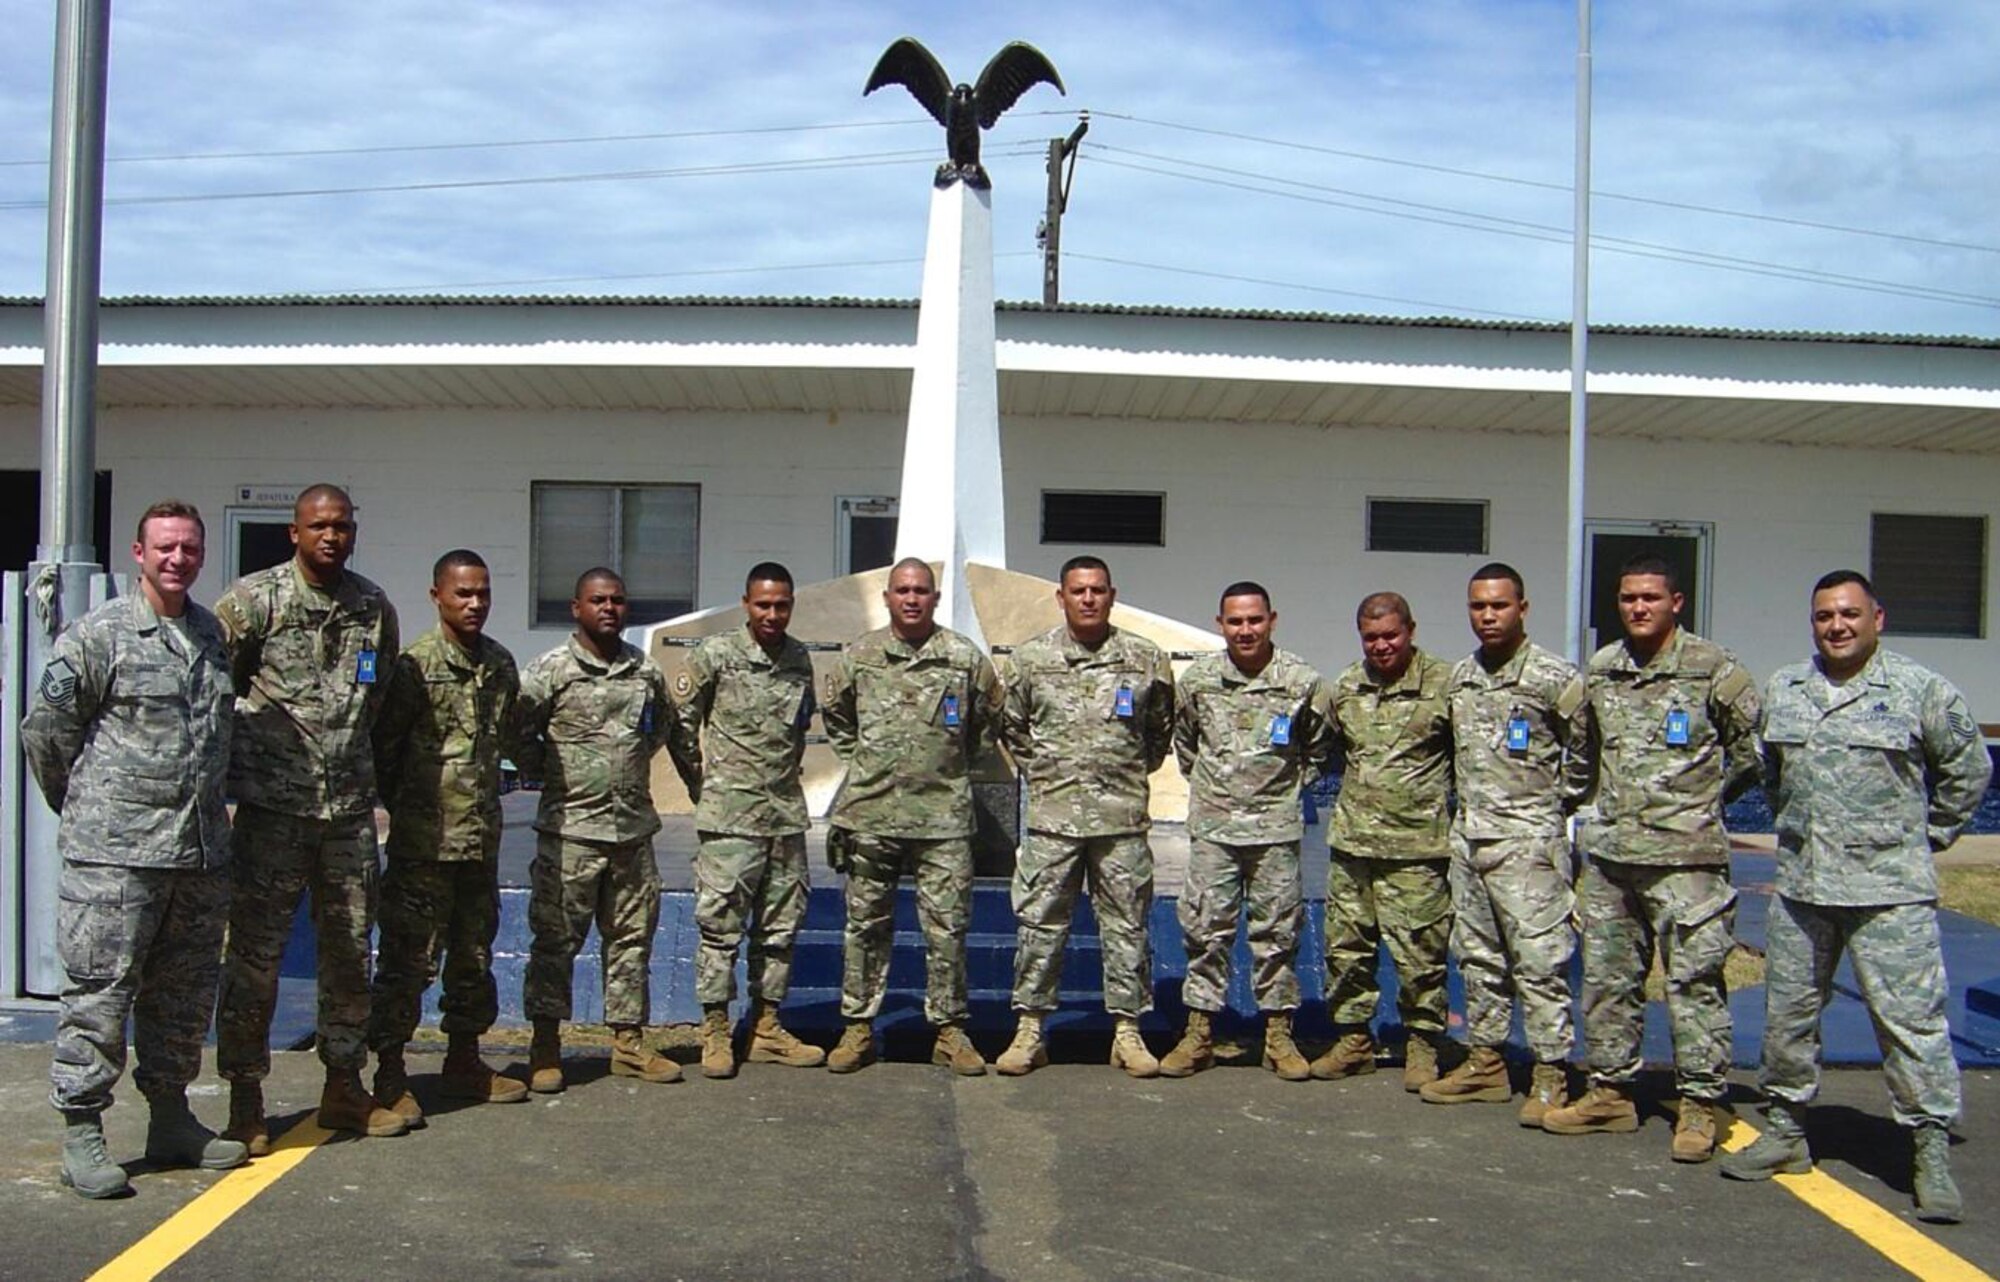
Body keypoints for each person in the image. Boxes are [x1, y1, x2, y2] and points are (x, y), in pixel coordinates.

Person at [1720, 570, 1990, 1223]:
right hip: (1805, 885)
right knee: (1789, 1015)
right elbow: (1773, 775)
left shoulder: (1918, 688)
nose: (1835, 626)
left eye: (1848, 614)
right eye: (1823, 617)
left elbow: (1968, 765)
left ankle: (1926, 1149)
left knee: (1910, 1022)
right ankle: (1786, 1131)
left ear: (1877, 618)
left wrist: (1934, 832)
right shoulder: (1787, 687)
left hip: (1889, 891)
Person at [22, 500, 248, 1198]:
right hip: (115, 859)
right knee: (99, 994)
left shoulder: (211, 636)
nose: (178, 559)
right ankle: (83, 1130)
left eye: (189, 548)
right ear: (139, 554)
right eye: (165, 548)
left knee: (181, 996)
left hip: (197, 854)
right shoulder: (99, 636)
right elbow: (45, 734)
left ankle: (171, 1117)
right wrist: (90, 812)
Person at [1540, 554, 1761, 1161]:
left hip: (1687, 861)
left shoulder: (1714, 669)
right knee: (1609, 983)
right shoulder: (1604, 669)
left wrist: (1696, 806)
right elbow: (1582, 754)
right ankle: (1610, 1091)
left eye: (1651, 598)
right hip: (1612, 859)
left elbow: (1749, 756)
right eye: (1629, 598)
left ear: (1676, 603)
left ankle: (1699, 1104)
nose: (1639, 608)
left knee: (1693, 983)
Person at [214, 483, 407, 1151]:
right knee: (254, 961)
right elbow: (216, 689)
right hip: (272, 815)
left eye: (343, 526)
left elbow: (374, 700)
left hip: (349, 816)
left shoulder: (372, 608)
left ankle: (343, 1086)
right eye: (318, 525)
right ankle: (244, 1095)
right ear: (294, 533)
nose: (332, 536)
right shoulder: (252, 602)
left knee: (351, 954)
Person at [515, 567, 700, 1092]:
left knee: (631, 942)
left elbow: (660, 730)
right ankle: (545, 1044)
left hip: (631, 834)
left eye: (618, 600)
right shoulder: (550, 671)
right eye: (598, 600)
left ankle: (627, 1043)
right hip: (570, 834)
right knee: (555, 943)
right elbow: (518, 734)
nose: (610, 609)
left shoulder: (643, 671)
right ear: (576, 607)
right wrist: (552, 777)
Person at [1421, 563, 1593, 1125]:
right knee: (1477, 956)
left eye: (1498, 605)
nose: (1487, 616)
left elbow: (1587, 753)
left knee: (1540, 962)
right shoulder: (1462, 677)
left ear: (1523, 607)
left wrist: (1549, 807)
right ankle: (1487, 1062)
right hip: (1470, 839)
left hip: (1530, 846)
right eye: (1477, 606)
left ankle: (1550, 1073)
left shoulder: (1552, 677)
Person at [821, 558, 1002, 1075]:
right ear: (887, 596)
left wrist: (948, 769)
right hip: (871, 817)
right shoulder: (861, 656)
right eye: (903, 590)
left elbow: (986, 723)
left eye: (922, 591)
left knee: (947, 929)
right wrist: (868, 763)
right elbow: (836, 716)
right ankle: (858, 1027)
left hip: (943, 821)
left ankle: (948, 1030)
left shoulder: (963, 659)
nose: (912, 599)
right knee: (865, 926)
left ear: (936, 599)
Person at [997, 555, 1176, 1078]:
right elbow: (1013, 728)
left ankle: (1127, 1033)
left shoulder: (1144, 659)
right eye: (1078, 591)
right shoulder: (1031, 659)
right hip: (1053, 821)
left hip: (1120, 822)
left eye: (1098, 590)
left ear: (1112, 595)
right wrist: (1053, 773)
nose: (1089, 599)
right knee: (1039, 926)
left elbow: (1158, 734)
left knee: (1126, 927)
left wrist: (1116, 775)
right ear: (1061, 597)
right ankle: (1029, 1029)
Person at [365, 550, 528, 1121]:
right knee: (408, 963)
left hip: (479, 844)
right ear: (437, 596)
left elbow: (506, 744)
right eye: (463, 593)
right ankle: (389, 1071)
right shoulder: (413, 668)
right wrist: (413, 809)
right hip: (423, 848)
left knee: (472, 959)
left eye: (482, 593)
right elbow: (384, 752)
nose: (475, 604)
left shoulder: (501, 667)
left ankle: (464, 1061)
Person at [1161, 581, 1331, 1080]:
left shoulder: (1301, 681)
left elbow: (1318, 751)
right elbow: (1185, 744)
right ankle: (1199, 1034)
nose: (1245, 630)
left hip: (1275, 832)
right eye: (1235, 621)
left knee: (1277, 934)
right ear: (1221, 625)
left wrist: (1275, 794)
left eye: (1254, 620)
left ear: (1272, 620)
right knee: (1205, 930)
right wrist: (1222, 793)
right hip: (1215, 830)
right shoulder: (1199, 680)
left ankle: (1278, 1036)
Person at [681, 562, 826, 1077]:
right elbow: (681, 726)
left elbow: (801, 724)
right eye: (762, 604)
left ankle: (766, 1027)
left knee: (779, 931)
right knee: (720, 930)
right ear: (746, 603)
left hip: (784, 819)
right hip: (730, 821)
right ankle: (715, 1031)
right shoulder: (715, 655)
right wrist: (706, 787)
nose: (771, 614)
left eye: (781, 605)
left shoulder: (799, 658)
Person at [1317, 591, 1456, 1091]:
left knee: (1421, 954)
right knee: (1346, 951)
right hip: (1353, 846)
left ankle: (1422, 1045)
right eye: (1371, 637)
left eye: (1391, 635)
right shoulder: (1347, 687)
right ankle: (1354, 1040)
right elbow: (1329, 749)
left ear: (1411, 630)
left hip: (1416, 851)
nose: (1381, 646)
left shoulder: (1444, 685)